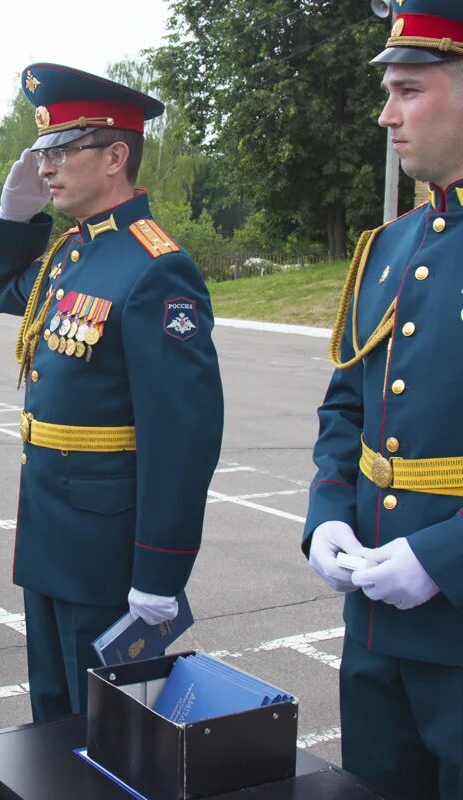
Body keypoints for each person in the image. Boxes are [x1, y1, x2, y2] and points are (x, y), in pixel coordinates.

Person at [0, 64, 224, 722]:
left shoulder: (155, 266)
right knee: (54, 721)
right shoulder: (71, 253)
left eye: (62, 151)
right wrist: (14, 217)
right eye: (43, 152)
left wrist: (160, 572)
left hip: (107, 551)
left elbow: (183, 437)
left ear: (116, 156)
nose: (46, 167)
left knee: (108, 735)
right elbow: (3, 291)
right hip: (50, 534)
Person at [304, 4, 463, 796]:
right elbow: (347, 406)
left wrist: (442, 556)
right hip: (375, 626)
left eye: (407, 90)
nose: (384, 114)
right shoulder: (390, 244)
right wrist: (327, 511)